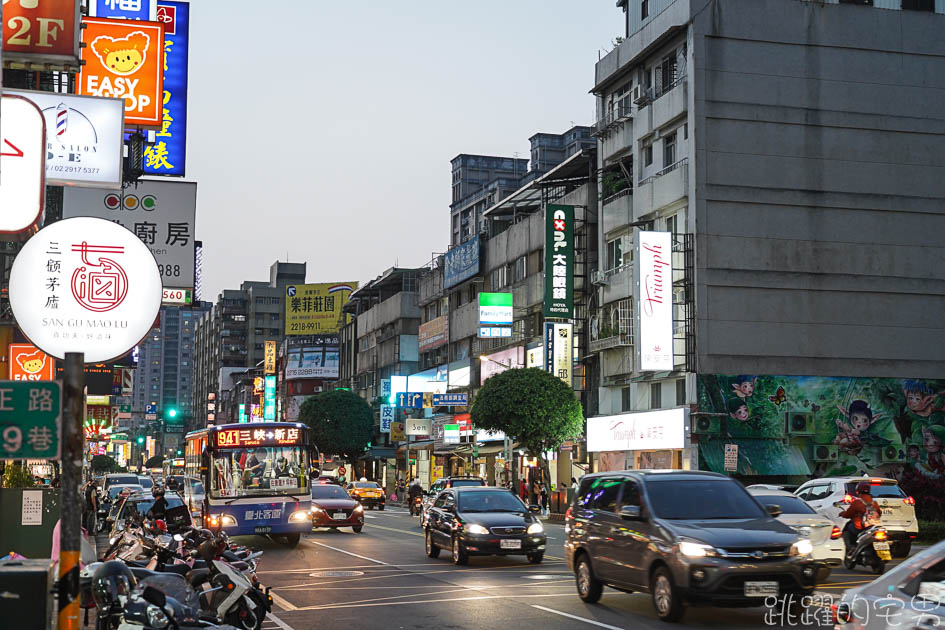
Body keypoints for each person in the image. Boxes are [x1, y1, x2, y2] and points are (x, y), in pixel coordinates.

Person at [839, 481, 882, 556]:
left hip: (861, 527)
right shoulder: (874, 502)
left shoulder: (857, 502)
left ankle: (852, 547)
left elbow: (848, 514)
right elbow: (879, 513)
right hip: (873, 527)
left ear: (858, 491)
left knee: (848, 529)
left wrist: (842, 514)